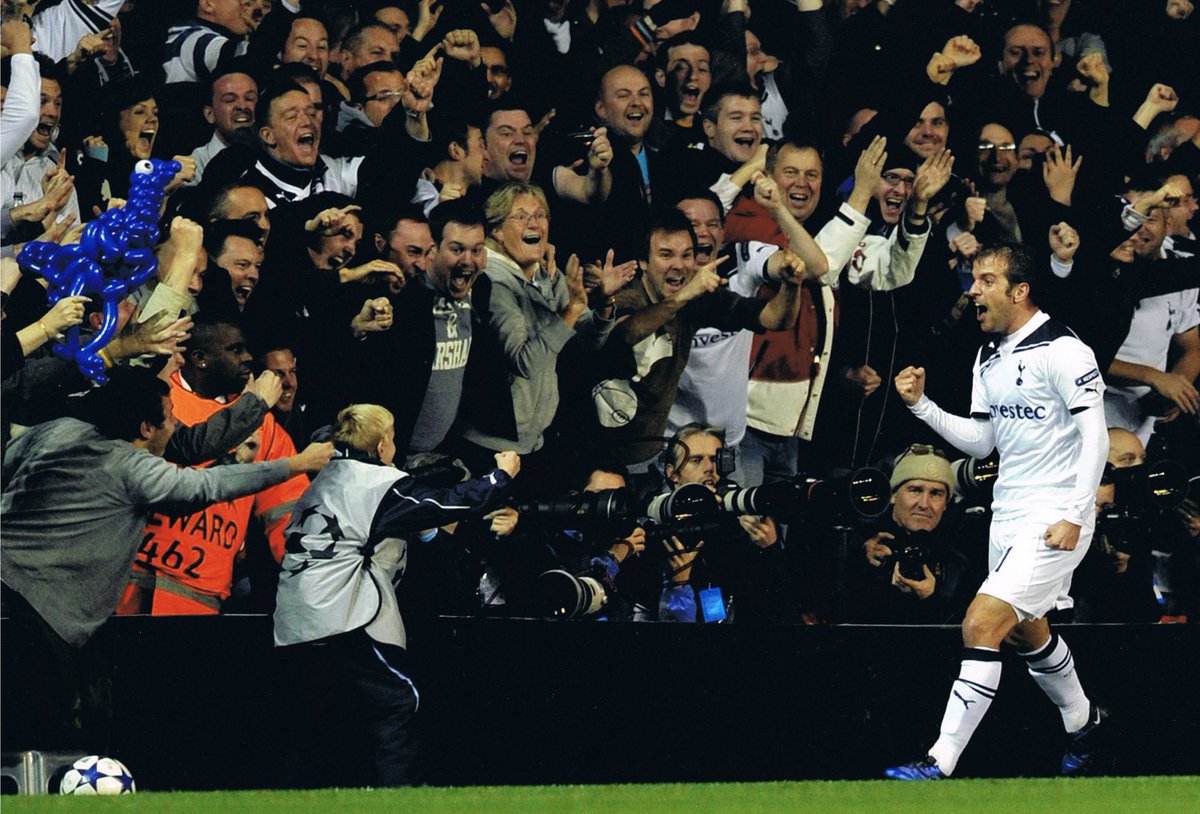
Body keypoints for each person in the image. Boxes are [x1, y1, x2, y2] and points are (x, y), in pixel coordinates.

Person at [888, 242, 1109, 779]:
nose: (973, 290)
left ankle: (939, 761)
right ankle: (1085, 723)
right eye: (973, 279)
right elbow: (985, 441)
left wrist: (1076, 516)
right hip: (1007, 515)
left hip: (1056, 517)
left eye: (985, 280)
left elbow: (1096, 439)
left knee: (981, 623)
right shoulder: (988, 355)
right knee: (1022, 630)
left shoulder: (1064, 351)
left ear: (1020, 290)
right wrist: (923, 407)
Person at [273, 403, 519, 786]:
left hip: (295, 613)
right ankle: (399, 800)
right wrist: (500, 476)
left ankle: (289, 794)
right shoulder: (373, 485)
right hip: (337, 612)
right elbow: (452, 503)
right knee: (399, 700)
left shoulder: (328, 477)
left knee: (316, 713)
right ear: (384, 443)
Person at [849, 444, 975, 624]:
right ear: (892, 495)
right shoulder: (861, 542)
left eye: (936, 494)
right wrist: (861, 559)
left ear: (945, 504)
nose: (924, 504)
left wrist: (931, 598)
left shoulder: (956, 564)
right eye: (915, 490)